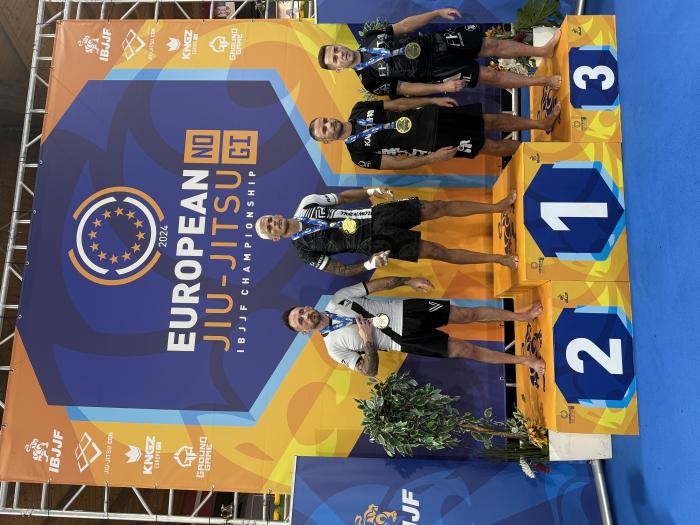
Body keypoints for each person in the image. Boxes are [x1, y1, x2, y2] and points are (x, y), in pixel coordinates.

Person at [282, 275, 546, 376]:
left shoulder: (338, 298)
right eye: (300, 321)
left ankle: (521, 316)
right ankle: (524, 361)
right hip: (402, 341)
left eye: (301, 311)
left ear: (306, 306)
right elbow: (369, 371)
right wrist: (368, 340)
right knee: (468, 350)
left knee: (468, 314)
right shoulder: (333, 348)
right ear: (304, 331)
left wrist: (409, 280)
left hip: (407, 310)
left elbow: (378, 285)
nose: (305, 316)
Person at [255, 187, 519, 274]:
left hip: (378, 214)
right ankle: (499, 259)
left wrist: (370, 191)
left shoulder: (307, 203)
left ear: (276, 215)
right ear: (276, 238)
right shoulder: (305, 252)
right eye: (269, 229)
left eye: (269, 220)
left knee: (438, 207)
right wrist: (369, 265)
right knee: (439, 252)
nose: (272, 224)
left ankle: (497, 207)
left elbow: (342, 198)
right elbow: (341, 270)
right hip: (376, 242)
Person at [318, 7, 561, 98]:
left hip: (436, 42)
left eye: (336, 50)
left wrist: (435, 13)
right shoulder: (370, 81)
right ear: (338, 69)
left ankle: (543, 50)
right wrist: (443, 87)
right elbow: (407, 88)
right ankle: (543, 81)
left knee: (492, 46)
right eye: (335, 59)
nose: (340, 55)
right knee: (490, 76)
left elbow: (403, 26)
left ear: (340, 45)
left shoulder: (370, 37)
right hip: (436, 70)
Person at [309, 96, 561, 169]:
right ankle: (543, 151)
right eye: (324, 129)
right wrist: (432, 158)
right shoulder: (358, 155)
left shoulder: (358, 108)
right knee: (489, 147)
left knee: (490, 120)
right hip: (431, 142)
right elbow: (397, 163)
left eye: (325, 121)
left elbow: (399, 104)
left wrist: (433, 100)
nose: (329, 125)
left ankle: (543, 124)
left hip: (432, 116)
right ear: (327, 141)